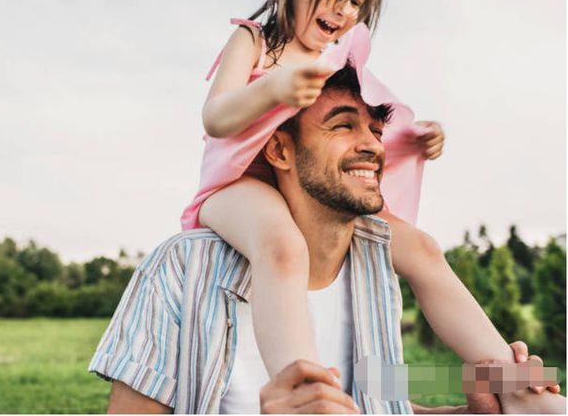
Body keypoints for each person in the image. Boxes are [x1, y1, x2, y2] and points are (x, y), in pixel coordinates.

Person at [89, 63, 564, 414]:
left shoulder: (377, 272)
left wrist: (468, 413)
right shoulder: (182, 270)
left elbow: (380, 402)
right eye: (342, 126)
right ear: (279, 149)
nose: (373, 146)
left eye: (376, 131)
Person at [179, 0, 557, 393]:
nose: (343, 9)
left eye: (356, 1)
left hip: (309, 194)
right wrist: (274, 88)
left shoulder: (336, 59)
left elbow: (355, 136)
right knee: (282, 245)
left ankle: (514, 381)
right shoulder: (255, 41)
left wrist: (414, 137)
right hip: (239, 184)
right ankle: (306, 390)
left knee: (422, 247)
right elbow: (215, 117)